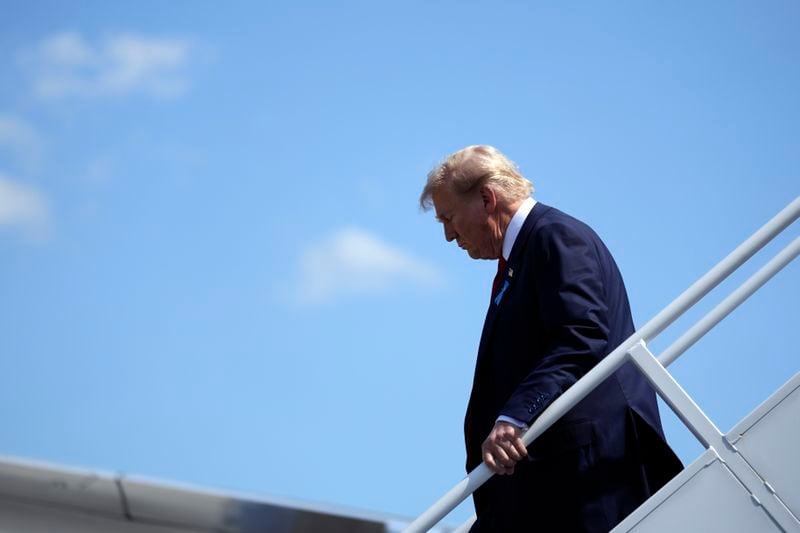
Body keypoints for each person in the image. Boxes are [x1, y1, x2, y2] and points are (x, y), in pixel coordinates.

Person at [420, 145, 683, 532]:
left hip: (588, 475)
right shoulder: (526, 254)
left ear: (487, 199)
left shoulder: (555, 237)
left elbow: (581, 335)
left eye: (450, 217)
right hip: (550, 480)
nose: (448, 235)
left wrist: (514, 417)